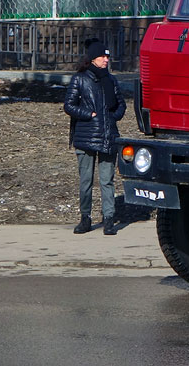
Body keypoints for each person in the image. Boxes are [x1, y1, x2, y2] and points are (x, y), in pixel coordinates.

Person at [63, 40, 126, 235]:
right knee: (86, 181)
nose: (106, 60)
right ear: (92, 59)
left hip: (108, 137)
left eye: (108, 57)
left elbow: (121, 105)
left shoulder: (111, 80)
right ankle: (85, 219)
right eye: (103, 56)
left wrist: (111, 117)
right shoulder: (80, 79)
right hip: (86, 137)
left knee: (107, 180)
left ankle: (109, 220)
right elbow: (69, 105)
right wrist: (89, 115)